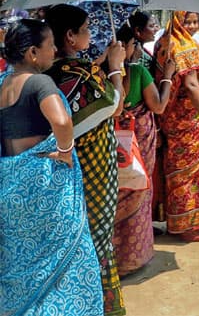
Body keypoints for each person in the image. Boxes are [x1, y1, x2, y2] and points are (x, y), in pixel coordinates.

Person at [0, 20, 103, 315]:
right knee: (63, 262)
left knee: (22, 265)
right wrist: (66, 152)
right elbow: (61, 121)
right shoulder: (40, 82)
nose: (55, 50)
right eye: (50, 46)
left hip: (10, 185)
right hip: (43, 190)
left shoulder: (3, 83)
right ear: (33, 52)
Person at [43, 4, 127, 315]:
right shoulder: (85, 74)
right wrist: (116, 67)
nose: (90, 34)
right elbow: (113, 105)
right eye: (87, 29)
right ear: (70, 36)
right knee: (95, 237)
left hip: (59, 169)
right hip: (93, 172)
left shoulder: (46, 74)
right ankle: (94, 303)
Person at [154, 12, 199, 243]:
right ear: (177, 22)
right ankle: (187, 226)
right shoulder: (179, 46)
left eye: (195, 22)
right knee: (188, 174)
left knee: (197, 172)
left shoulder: (172, 42)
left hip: (188, 121)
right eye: (187, 22)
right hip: (187, 122)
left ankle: (197, 221)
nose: (192, 26)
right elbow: (192, 84)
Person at [112, 25, 175, 276]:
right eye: (131, 45)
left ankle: (112, 256)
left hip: (113, 141)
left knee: (116, 192)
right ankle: (133, 256)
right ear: (124, 48)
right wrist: (168, 76)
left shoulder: (99, 73)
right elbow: (158, 106)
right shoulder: (138, 72)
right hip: (139, 138)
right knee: (139, 189)